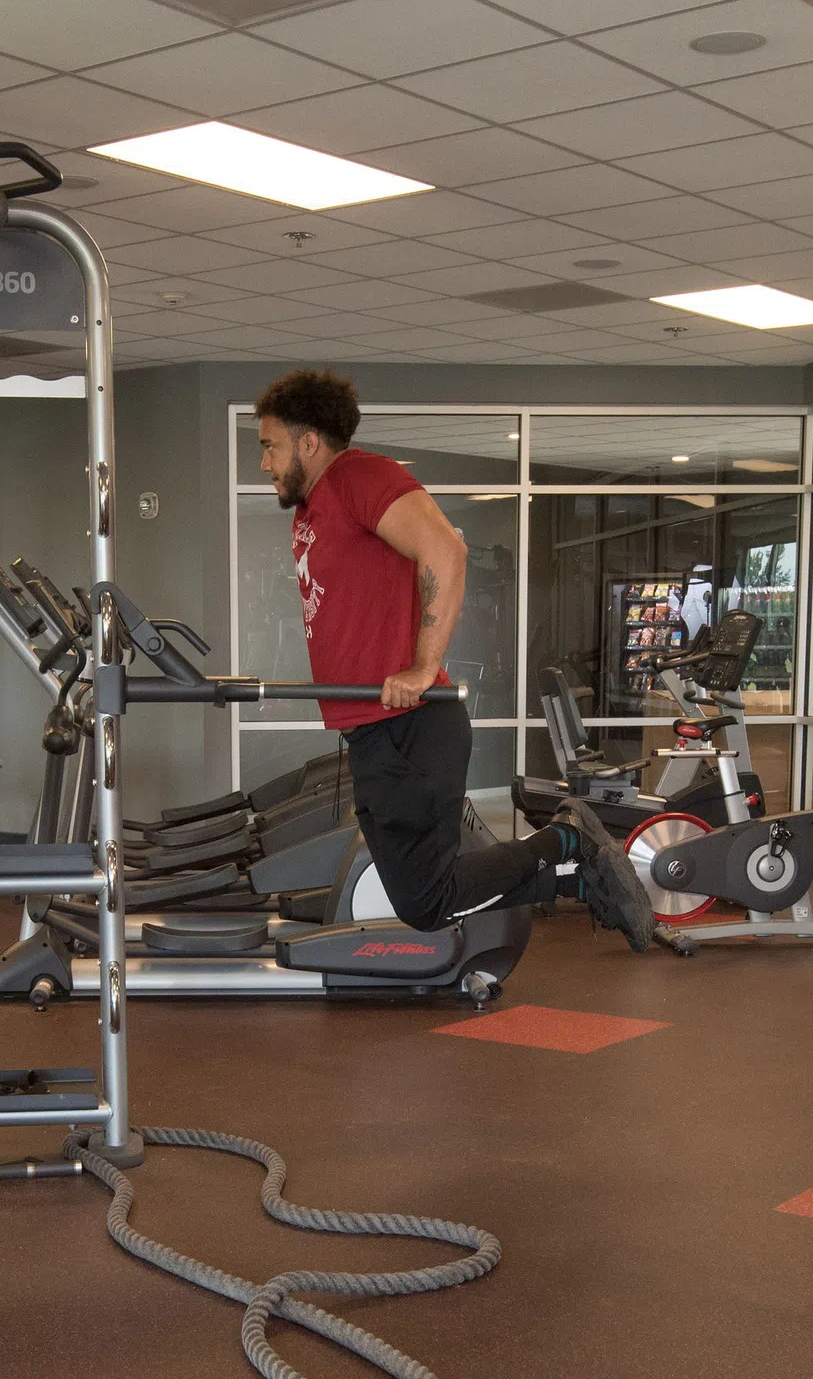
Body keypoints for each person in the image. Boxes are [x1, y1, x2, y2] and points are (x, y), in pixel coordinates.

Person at [254, 369, 654, 950]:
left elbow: (446, 549)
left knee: (427, 901)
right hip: (377, 731)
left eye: (270, 446)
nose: (264, 463)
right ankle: (569, 861)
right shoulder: (312, 510)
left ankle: (568, 845)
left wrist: (421, 668)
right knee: (423, 897)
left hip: (406, 726)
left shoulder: (359, 476)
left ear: (308, 441)